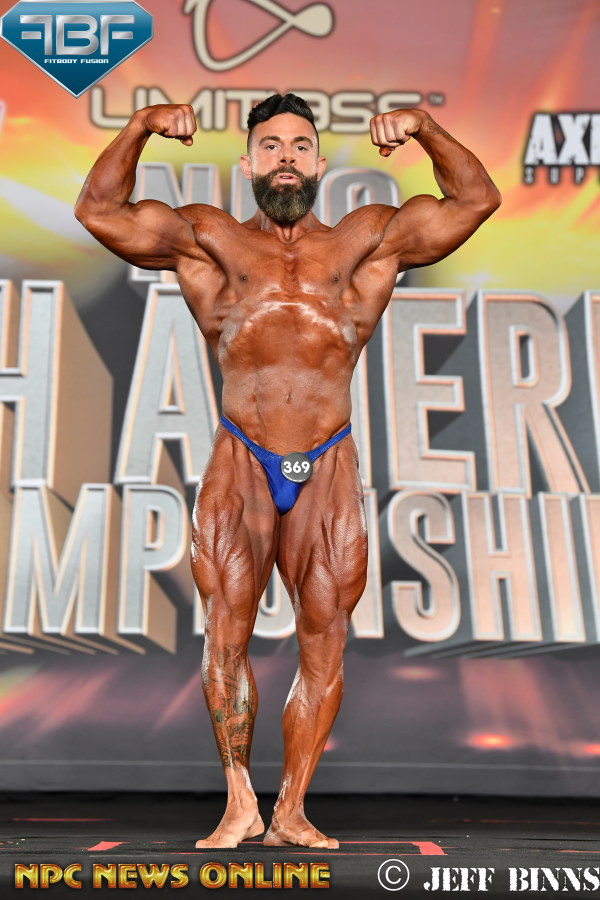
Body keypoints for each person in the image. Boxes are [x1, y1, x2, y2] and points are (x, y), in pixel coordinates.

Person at [74, 93, 501, 849]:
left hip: (328, 459)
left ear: (319, 162)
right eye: (270, 146)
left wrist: (427, 128)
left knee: (324, 635)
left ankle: (292, 809)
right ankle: (240, 799)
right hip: (242, 454)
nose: (285, 159)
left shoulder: (367, 241)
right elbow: (99, 212)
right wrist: (138, 127)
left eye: (300, 146)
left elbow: (475, 200)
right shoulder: (209, 239)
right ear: (248, 162)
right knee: (226, 629)